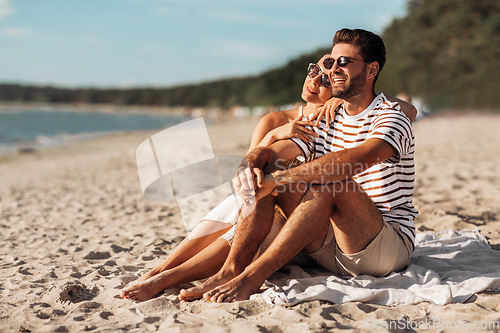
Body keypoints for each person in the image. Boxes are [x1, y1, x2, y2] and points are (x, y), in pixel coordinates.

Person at [120, 51, 417, 301]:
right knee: (261, 193)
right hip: (302, 219)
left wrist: (274, 181)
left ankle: (232, 275)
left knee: (320, 184)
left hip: (364, 232)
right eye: (317, 69)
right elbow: (262, 158)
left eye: (330, 75)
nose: (319, 78)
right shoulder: (304, 122)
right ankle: (172, 274)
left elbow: (398, 119)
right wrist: (259, 160)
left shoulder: (377, 114)